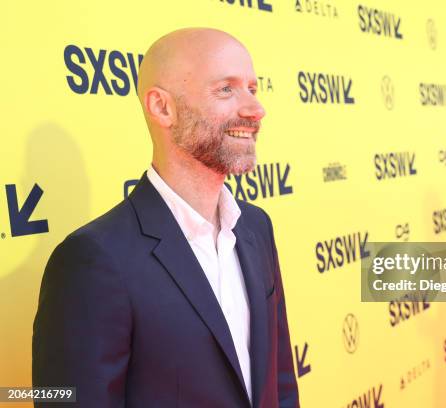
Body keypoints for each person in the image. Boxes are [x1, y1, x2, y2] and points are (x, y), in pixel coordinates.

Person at [32, 28, 300, 408]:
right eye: (226, 89)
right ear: (162, 108)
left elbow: (281, 384)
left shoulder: (256, 228)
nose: (255, 109)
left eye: (253, 89)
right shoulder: (93, 261)